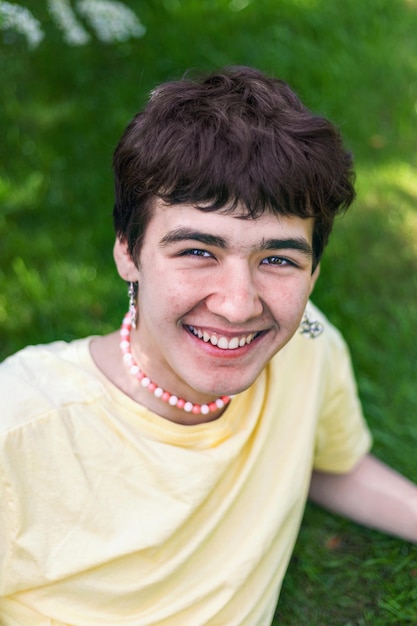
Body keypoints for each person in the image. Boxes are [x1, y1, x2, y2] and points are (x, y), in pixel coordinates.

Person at [0, 66, 416, 626]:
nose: (238, 305)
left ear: (313, 274)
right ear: (128, 251)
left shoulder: (307, 344)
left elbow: (332, 465)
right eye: (198, 251)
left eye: (278, 260)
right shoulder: (20, 426)